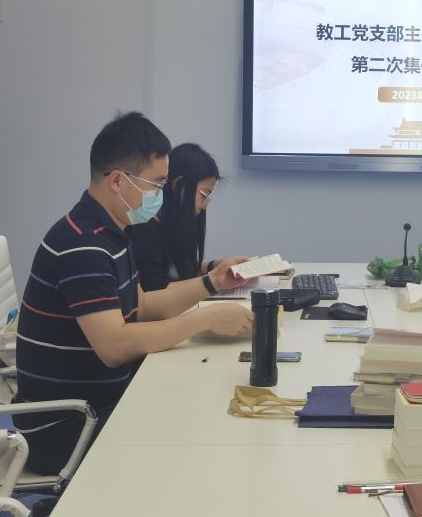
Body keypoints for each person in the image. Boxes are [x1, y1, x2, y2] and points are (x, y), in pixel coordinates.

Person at [13, 112, 254, 476]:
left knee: (200, 406)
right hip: (65, 428)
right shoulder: (83, 245)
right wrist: (203, 319)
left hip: (98, 405)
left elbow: (141, 305)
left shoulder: (113, 231)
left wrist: (213, 282)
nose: (161, 194)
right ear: (117, 181)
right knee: (198, 434)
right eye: (156, 184)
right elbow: (115, 347)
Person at [131, 143, 247, 291]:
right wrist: (214, 280)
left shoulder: (174, 223)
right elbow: (155, 290)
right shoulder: (143, 230)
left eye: (208, 197)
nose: (204, 206)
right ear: (177, 185)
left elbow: (180, 270)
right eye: (204, 195)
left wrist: (214, 266)